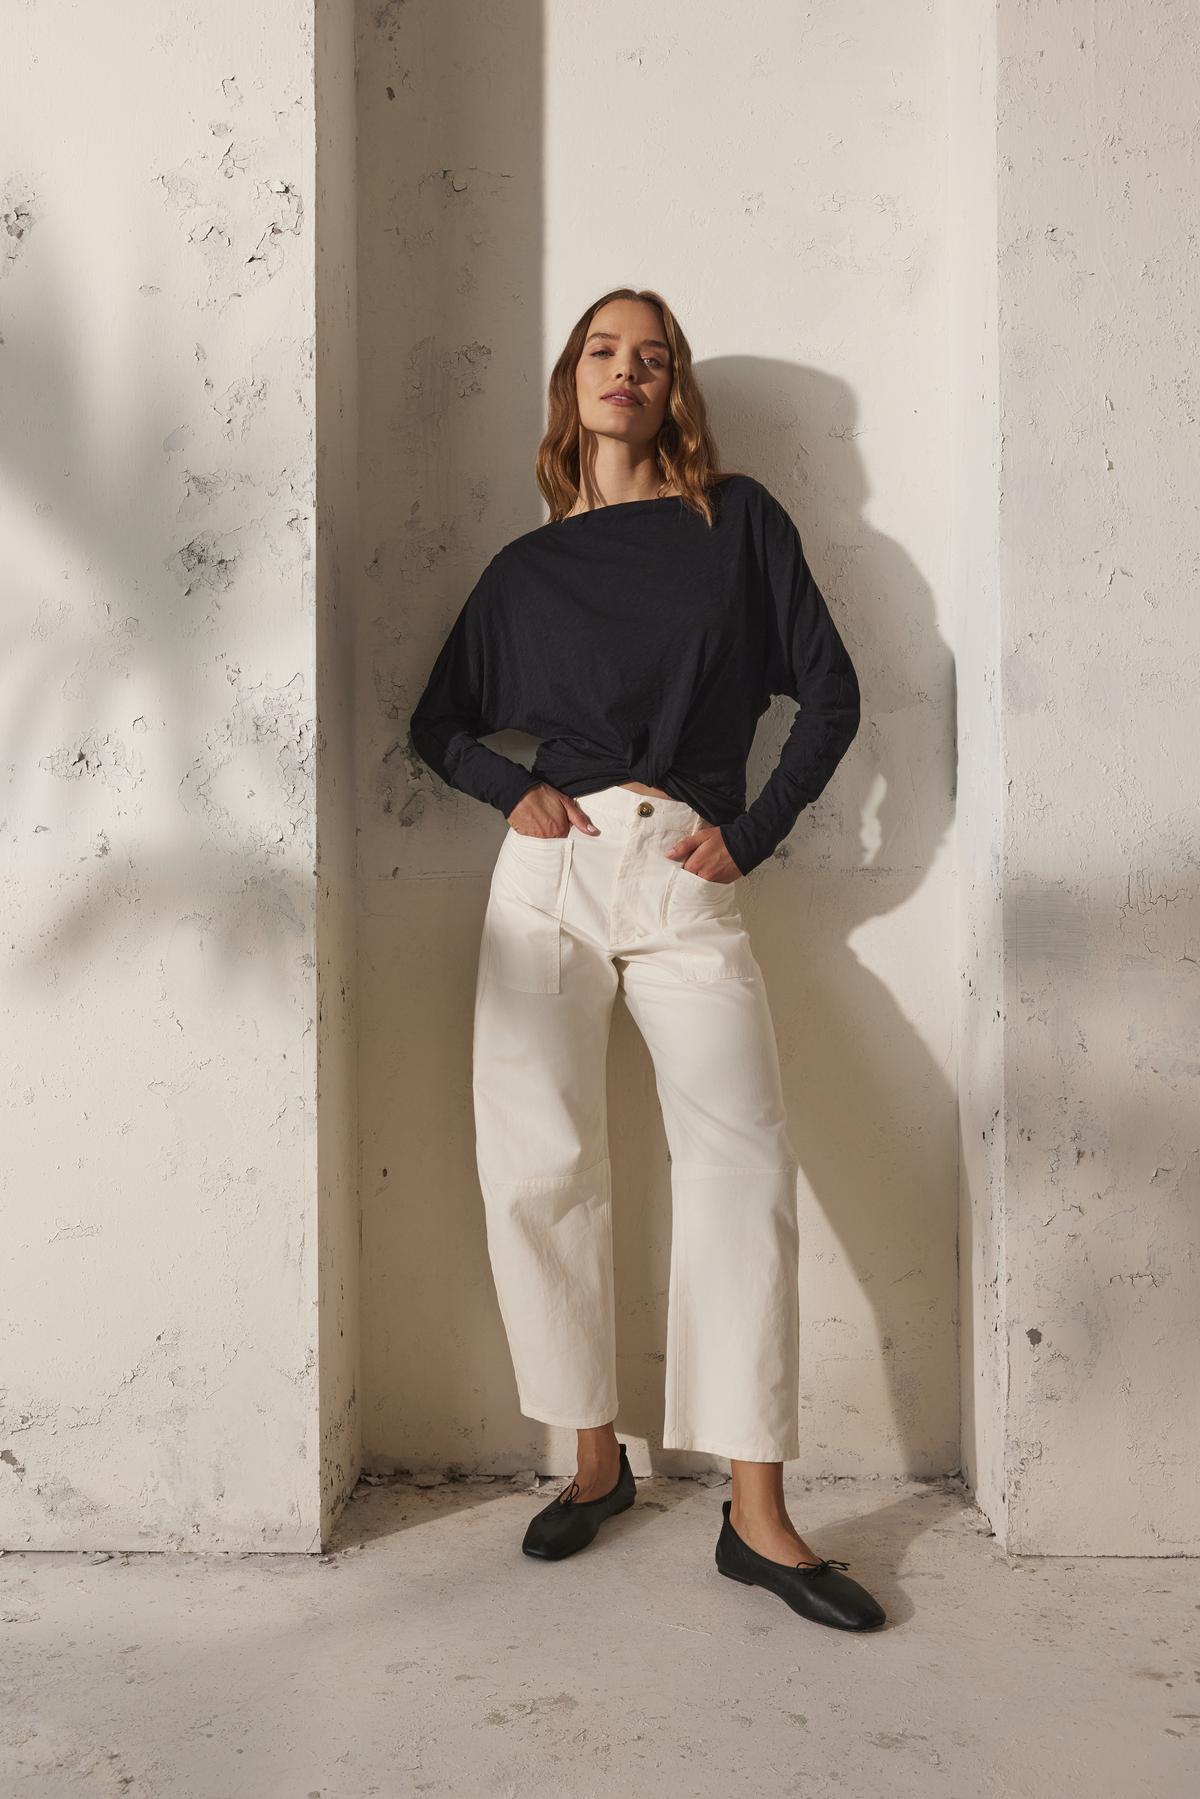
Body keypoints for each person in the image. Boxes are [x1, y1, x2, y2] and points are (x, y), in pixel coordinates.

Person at [410, 286, 884, 1632]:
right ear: (572, 384)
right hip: (547, 886)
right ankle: (594, 1460)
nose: (630, 372)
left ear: (675, 390)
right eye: (606, 353)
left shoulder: (735, 526)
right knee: (539, 1164)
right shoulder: (520, 574)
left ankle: (758, 1512)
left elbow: (830, 692)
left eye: (653, 356)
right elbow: (435, 723)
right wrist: (507, 792)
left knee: (744, 1168)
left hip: (685, 869)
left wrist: (754, 832)